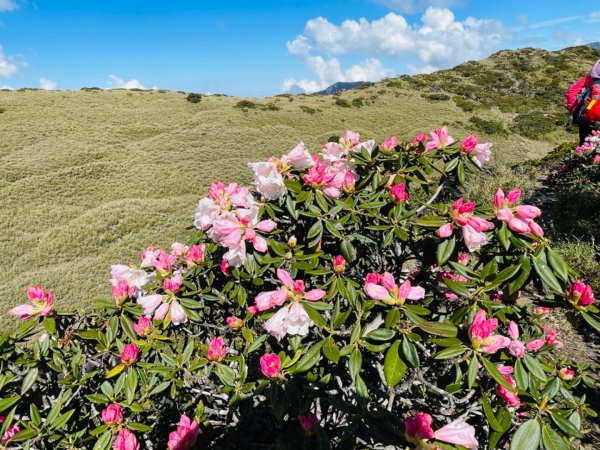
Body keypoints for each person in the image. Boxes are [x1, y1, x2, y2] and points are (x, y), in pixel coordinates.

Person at [566, 59, 600, 145]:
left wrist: (572, 109)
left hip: (587, 119)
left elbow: (571, 93)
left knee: (585, 147)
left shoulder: (590, 78)